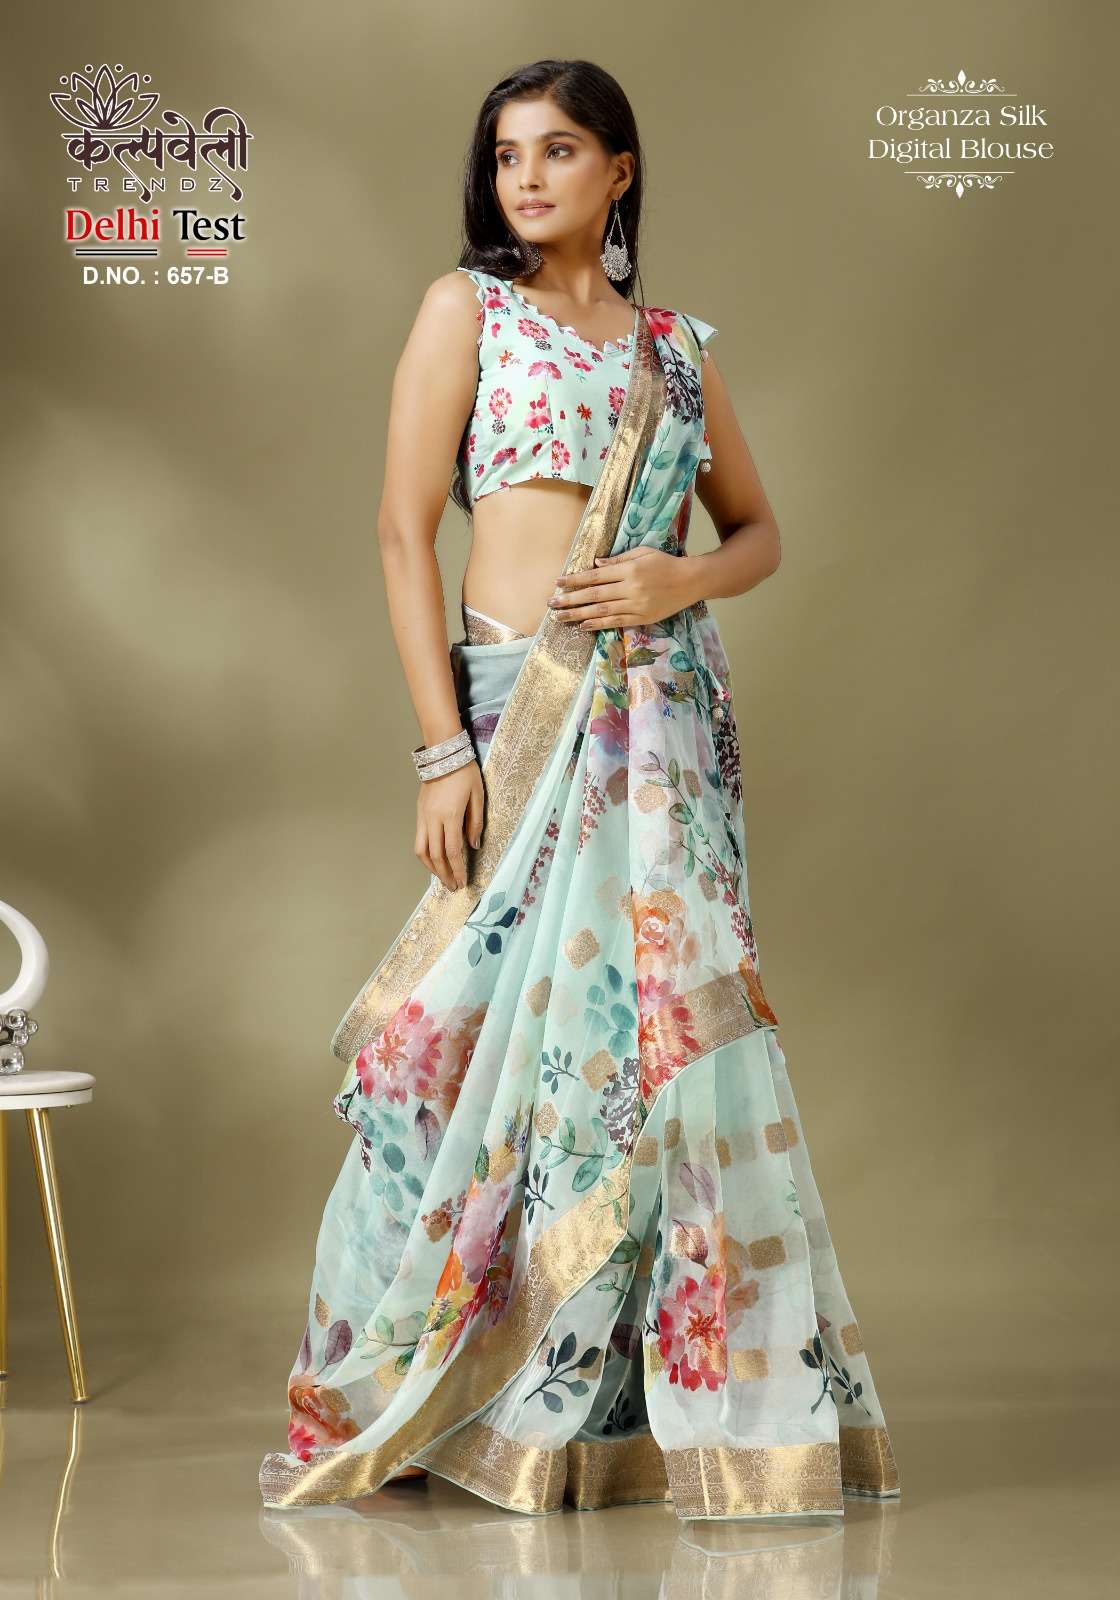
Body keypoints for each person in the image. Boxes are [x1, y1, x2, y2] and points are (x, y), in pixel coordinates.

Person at [259, 57, 901, 1520]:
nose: (527, 178)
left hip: (662, 729)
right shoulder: (463, 311)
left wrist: (679, 578)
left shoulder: (675, 353)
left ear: (620, 170)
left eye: (558, 151)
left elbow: (757, 533)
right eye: (506, 156)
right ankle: (418, 1388)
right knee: (464, 1045)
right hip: (517, 711)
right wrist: (442, 748)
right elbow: (401, 532)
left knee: (634, 1053)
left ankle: (588, 1420)